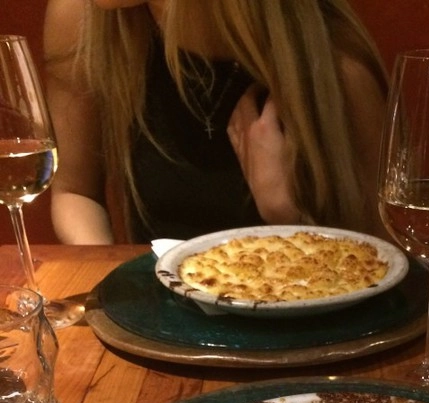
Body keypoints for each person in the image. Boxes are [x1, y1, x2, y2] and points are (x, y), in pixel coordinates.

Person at [43, 0, 389, 244]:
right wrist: (110, 287)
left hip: (293, 320)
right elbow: (75, 192)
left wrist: (289, 220)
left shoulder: (337, 68)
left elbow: (386, 272)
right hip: (155, 316)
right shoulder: (82, 21)